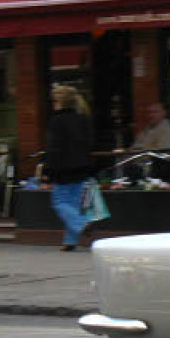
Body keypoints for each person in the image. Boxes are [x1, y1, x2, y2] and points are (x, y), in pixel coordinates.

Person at [42, 85, 95, 251]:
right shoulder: (83, 119)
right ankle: (69, 241)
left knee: (59, 203)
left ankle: (82, 223)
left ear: (59, 102)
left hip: (63, 169)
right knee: (72, 204)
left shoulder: (56, 121)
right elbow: (89, 143)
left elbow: (53, 149)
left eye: (54, 100)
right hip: (82, 167)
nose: (53, 104)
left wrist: (47, 172)